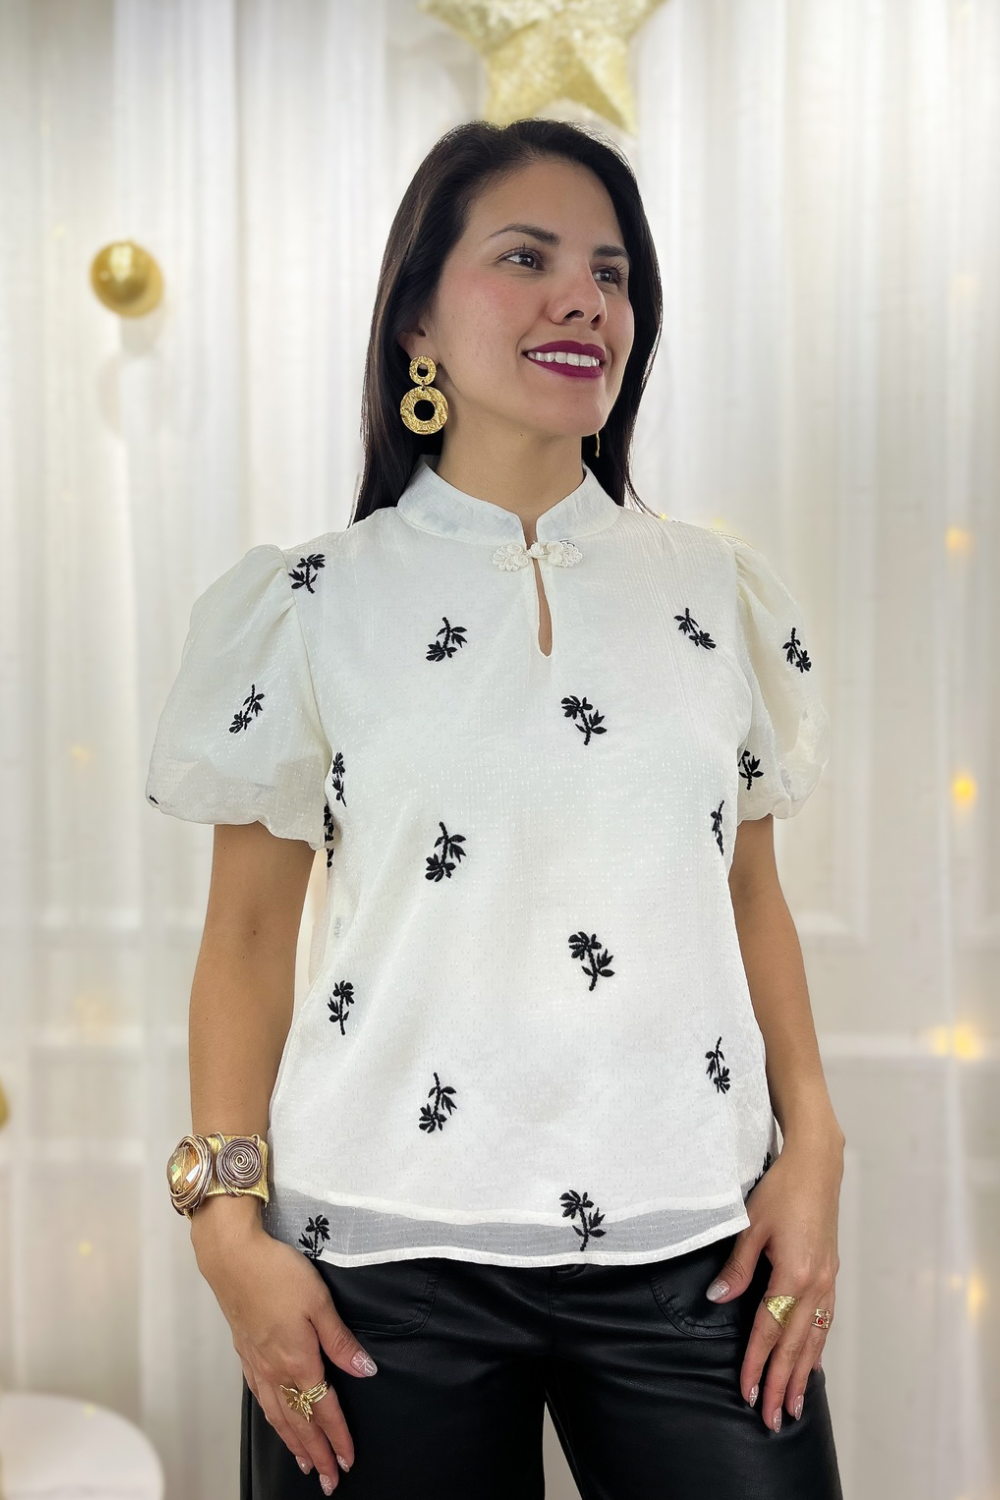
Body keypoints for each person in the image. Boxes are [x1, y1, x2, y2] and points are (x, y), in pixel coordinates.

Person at [146, 119, 845, 1499]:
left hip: (695, 1249)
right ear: (417, 316)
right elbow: (245, 942)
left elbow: (747, 894)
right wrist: (226, 1229)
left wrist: (814, 1140)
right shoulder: (309, 604)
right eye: (526, 259)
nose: (583, 299)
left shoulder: (717, 594)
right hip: (375, 1264)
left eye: (611, 272)